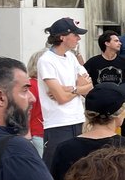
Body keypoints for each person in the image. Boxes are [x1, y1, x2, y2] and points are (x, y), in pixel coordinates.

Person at [38, 17, 94, 167]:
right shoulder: (46, 60)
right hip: (58, 123)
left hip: (77, 119)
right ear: (62, 37)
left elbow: (89, 87)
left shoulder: (71, 57)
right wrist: (74, 89)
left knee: (77, 170)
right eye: (75, 35)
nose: (78, 38)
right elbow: (61, 98)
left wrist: (72, 89)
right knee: (56, 170)